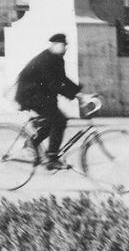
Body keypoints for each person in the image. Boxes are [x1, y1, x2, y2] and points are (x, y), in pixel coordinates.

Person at [14, 33, 83, 170]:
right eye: (63, 45)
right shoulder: (46, 60)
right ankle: (51, 158)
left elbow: (62, 79)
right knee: (58, 121)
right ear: (55, 45)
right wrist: (76, 95)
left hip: (41, 95)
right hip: (31, 95)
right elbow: (54, 84)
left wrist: (78, 92)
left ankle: (31, 143)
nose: (65, 48)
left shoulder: (57, 59)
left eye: (65, 45)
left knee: (54, 121)